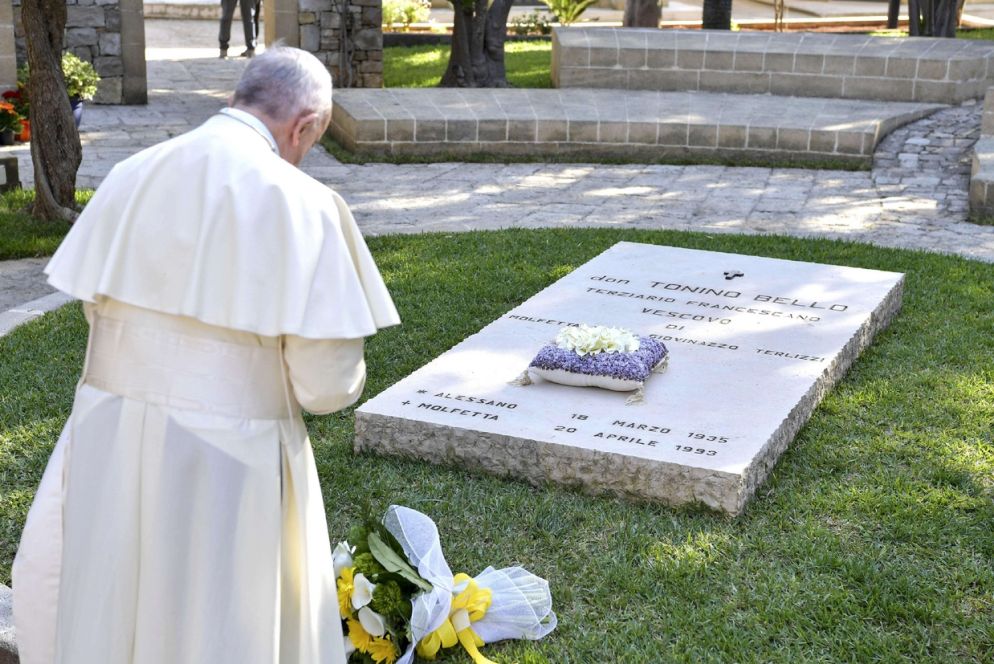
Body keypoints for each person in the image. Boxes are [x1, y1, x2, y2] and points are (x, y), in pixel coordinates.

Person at [11, 47, 400, 664]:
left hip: (109, 431)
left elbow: (97, 307)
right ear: (303, 126)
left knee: (113, 602)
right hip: (232, 456)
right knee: (215, 620)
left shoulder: (132, 172)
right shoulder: (304, 204)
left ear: (237, 99)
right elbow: (325, 385)